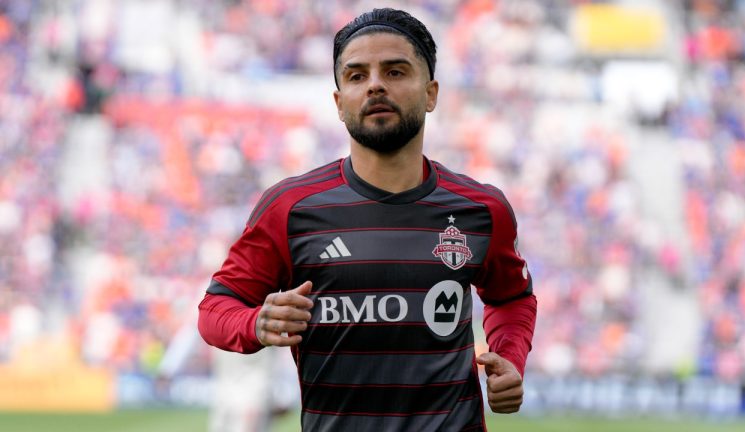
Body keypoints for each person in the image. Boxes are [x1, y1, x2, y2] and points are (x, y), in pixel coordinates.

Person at [198, 8, 537, 431]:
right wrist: (255, 322)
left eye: (395, 72)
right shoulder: (289, 208)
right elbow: (215, 310)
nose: (375, 84)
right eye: (357, 76)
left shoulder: (482, 210)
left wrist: (509, 355)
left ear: (431, 93)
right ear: (340, 104)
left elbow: (512, 297)